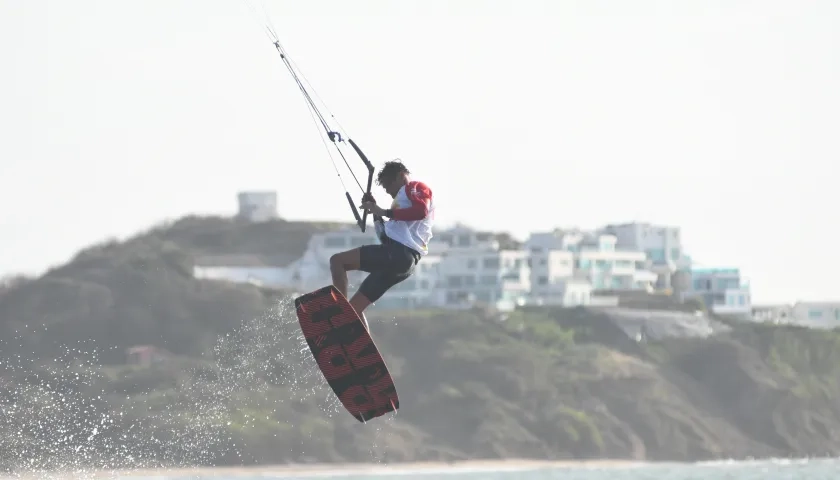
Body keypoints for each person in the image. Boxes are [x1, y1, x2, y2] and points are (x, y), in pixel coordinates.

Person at [329, 160, 434, 329]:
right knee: (354, 310)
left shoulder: (415, 187)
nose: (389, 192)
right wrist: (375, 213)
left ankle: (338, 313)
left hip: (399, 254)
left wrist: (383, 211)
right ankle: (361, 352)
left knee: (337, 261)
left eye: (388, 186)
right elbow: (386, 238)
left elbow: (421, 211)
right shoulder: (400, 207)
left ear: (400, 176)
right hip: (401, 263)